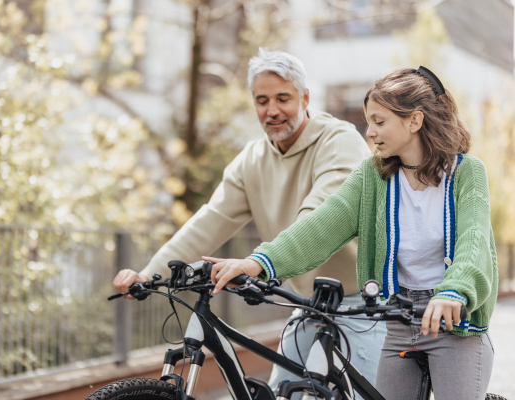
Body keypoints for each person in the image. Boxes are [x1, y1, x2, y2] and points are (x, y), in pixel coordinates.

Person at [208, 66, 497, 400]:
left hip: (454, 322)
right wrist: (259, 262)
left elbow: (473, 241)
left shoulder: (466, 173)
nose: (369, 132)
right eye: (368, 121)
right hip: (399, 319)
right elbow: (321, 226)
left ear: (414, 121)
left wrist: (454, 292)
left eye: (379, 121)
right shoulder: (372, 177)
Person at [113, 48, 386, 393]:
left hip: (361, 303)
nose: (272, 110)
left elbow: (318, 218)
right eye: (262, 100)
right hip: (307, 304)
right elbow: (209, 221)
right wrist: (151, 274)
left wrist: (260, 262)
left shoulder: (339, 141)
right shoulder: (252, 160)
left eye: (283, 98)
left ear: (305, 98)